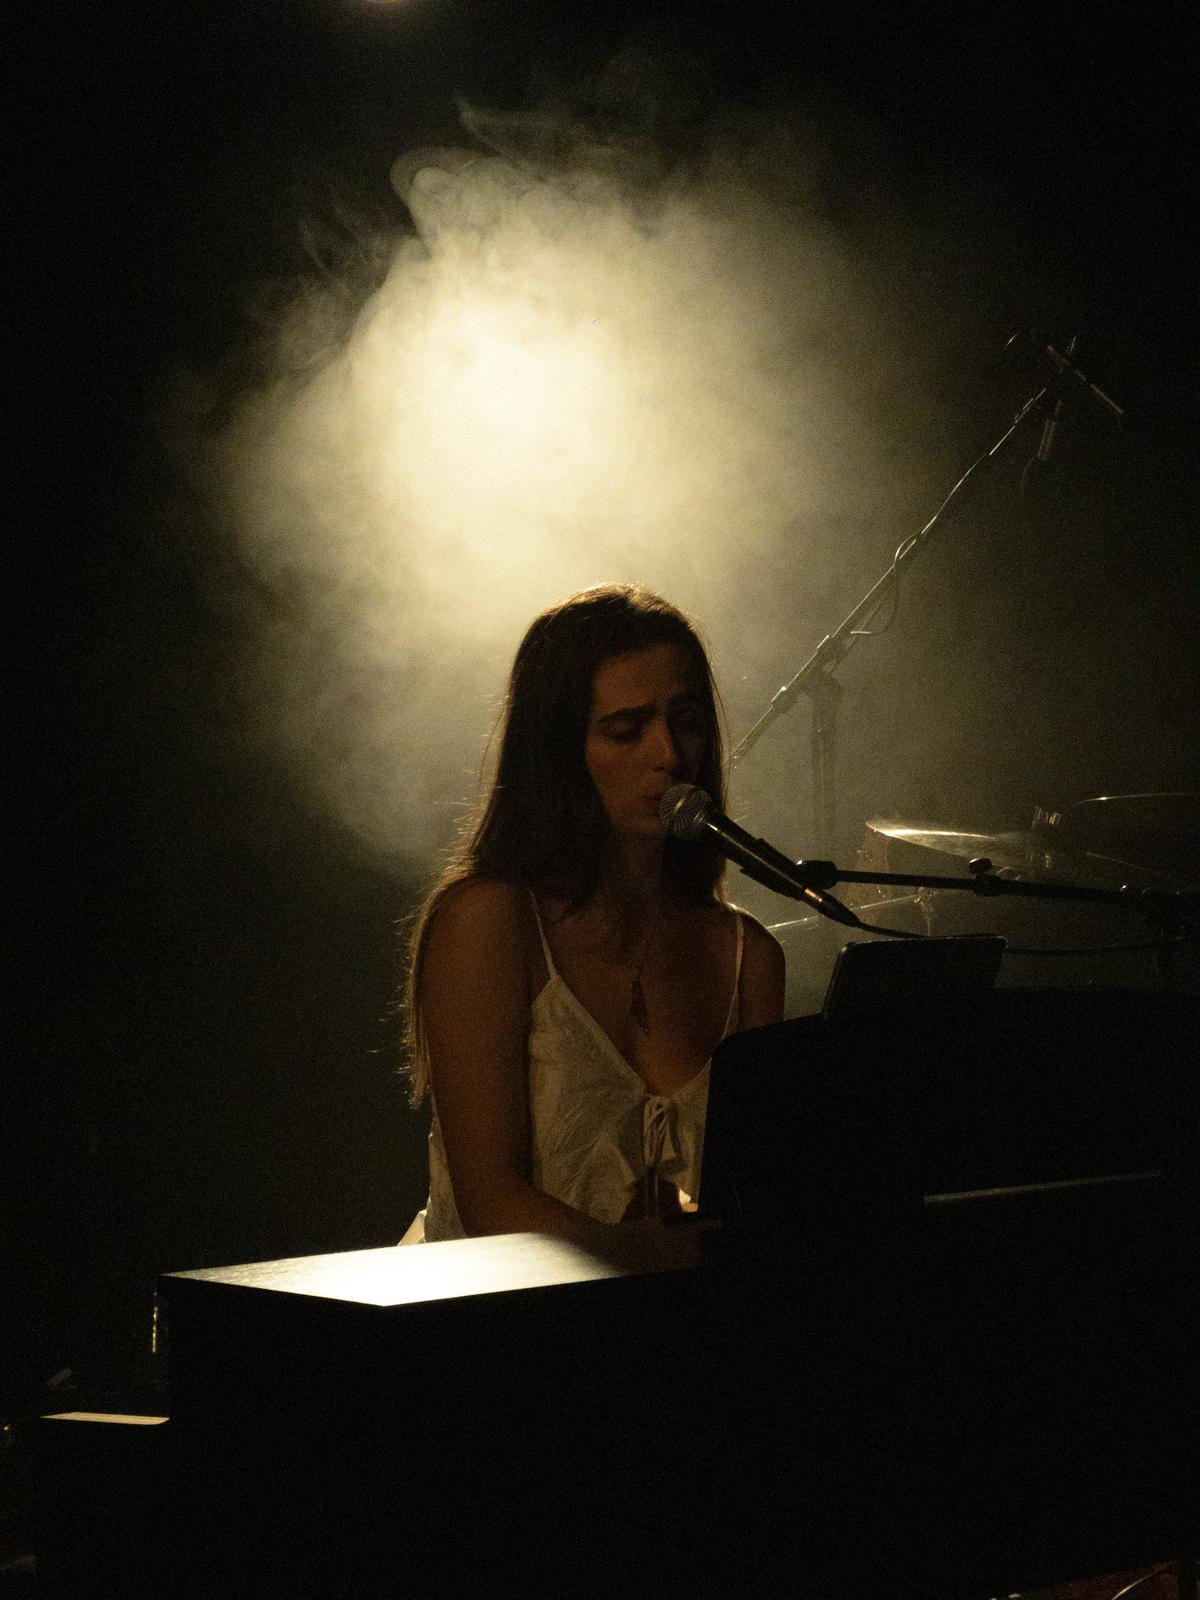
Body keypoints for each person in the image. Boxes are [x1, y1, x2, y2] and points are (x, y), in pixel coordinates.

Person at [401, 584, 786, 1243]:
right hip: (507, 1304)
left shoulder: (747, 956)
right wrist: (672, 1264)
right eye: (626, 731)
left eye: (687, 722)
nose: (669, 755)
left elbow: (760, 1194)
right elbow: (492, 1204)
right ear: (558, 751)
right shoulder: (490, 921)